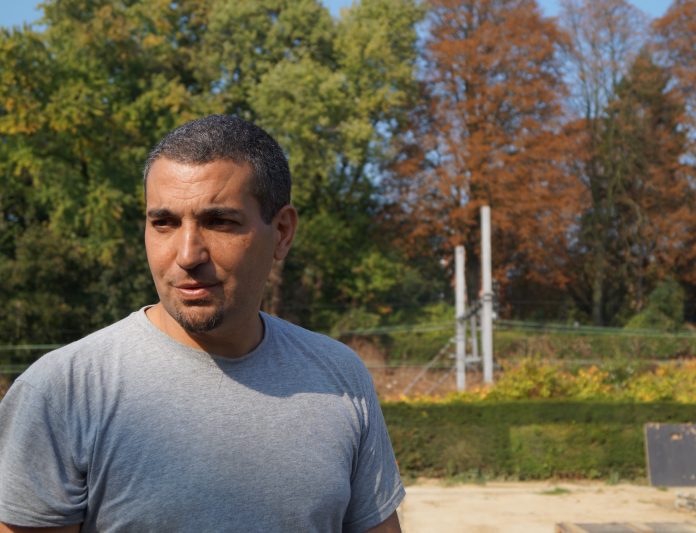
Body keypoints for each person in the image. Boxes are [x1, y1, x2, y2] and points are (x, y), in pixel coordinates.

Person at [0, 115, 404, 532]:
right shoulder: (62, 391)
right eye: (165, 223)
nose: (188, 253)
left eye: (218, 222)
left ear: (282, 231)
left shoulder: (340, 377)